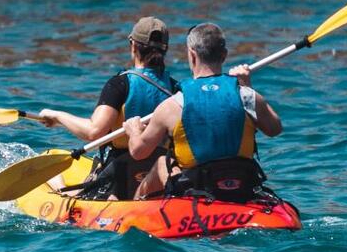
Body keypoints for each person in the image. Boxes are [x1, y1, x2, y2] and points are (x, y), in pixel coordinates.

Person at [125, 22, 283, 199]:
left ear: (192, 55)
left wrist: (134, 130)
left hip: (195, 190)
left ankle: (136, 207)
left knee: (163, 162)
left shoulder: (172, 106)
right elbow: (275, 129)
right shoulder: (247, 95)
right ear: (224, 55)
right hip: (243, 185)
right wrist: (247, 86)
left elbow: (139, 152)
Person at [36, 16, 179, 199]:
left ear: (133, 45)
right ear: (165, 50)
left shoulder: (120, 84)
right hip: (158, 172)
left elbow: (94, 132)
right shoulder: (176, 90)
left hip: (121, 172)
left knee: (55, 179)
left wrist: (57, 116)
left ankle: (60, 190)